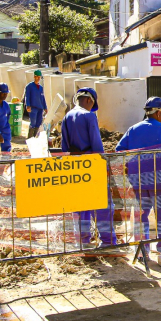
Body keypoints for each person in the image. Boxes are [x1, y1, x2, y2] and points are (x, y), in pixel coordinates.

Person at [116, 97, 161, 255]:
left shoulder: (133, 129)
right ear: (158, 113)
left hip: (139, 183)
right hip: (160, 181)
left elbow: (119, 151)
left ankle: (142, 250)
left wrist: (130, 168)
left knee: (141, 216)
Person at [61, 88, 114, 246]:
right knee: (102, 204)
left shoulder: (66, 117)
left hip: (75, 166)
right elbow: (97, 145)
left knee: (80, 204)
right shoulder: (89, 116)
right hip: (91, 165)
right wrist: (103, 164)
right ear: (89, 101)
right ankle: (108, 241)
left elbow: (64, 147)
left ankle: (82, 240)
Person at [24, 70, 48, 138]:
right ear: (34, 76)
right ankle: (29, 138)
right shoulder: (29, 86)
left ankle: (34, 138)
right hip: (33, 108)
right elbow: (27, 96)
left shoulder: (41, 88)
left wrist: (45, 108)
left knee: (38, 124)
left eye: (39, 77)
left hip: (40, 108)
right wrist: (28, 105)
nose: (38, 78)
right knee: (33, 123)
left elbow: (43, 99)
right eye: (36, 77)